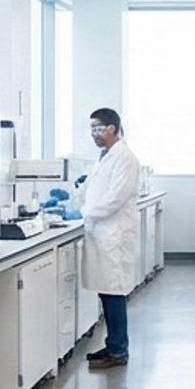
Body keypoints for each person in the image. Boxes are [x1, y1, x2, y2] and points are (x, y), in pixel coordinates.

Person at [79, 107, 141, 368]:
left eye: (99, 128)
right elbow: (97, 189)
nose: (94, 134)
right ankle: (113, 343)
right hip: (101, 232)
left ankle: (119, 350)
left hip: (113, 234)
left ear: (113, 129)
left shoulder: (124, 157)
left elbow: (114, 198)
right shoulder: (105, 156)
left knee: (113, 291)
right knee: (106, 291)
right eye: (91, 128)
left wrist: (83, 212)